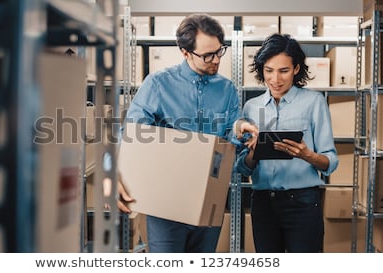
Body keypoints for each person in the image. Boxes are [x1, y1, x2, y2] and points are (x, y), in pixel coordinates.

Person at [117, 13, 257, 253]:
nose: (216, 60)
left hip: (208, 204)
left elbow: (230, 144)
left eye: (219, 51)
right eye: (207, 56)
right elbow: (131, 135)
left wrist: (239, 129)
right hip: (166, 206)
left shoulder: (227, 90)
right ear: (184, 52)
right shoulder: (159, 84)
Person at [234, 33, 339, 253]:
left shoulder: (314, 102)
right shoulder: (251, 107)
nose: (275, 79)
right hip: (263, 204)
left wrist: (306, 155)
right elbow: (242, 167)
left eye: (284, 71)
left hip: (302, 203)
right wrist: (254, 152)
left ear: (296, 69)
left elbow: (330, 161)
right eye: (269, 71)